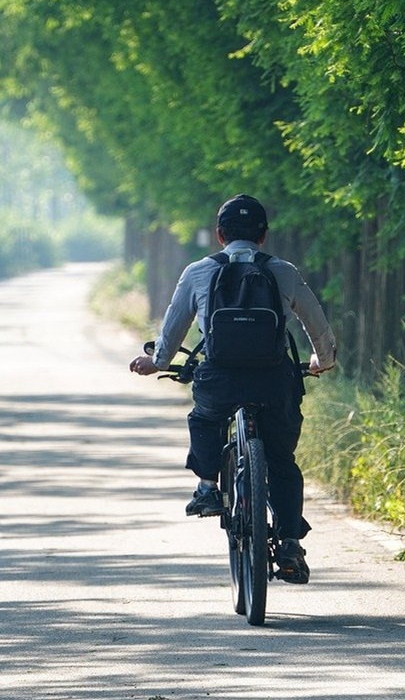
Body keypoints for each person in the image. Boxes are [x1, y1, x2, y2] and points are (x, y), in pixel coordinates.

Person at [129, 194, 336, 584]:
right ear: (263, 236)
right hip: (275, 380)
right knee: (281, 460)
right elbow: (316, 323)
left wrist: (156, 361)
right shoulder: (283, 271)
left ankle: (207, 486)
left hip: (219, 379)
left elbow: (173, 328)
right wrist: (321, 361)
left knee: (205, 417)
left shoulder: (198, 271)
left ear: (220, 235)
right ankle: (289, 541)